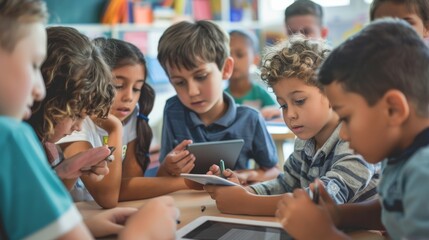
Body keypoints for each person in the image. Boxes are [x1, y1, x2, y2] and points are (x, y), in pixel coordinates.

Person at [0, 0, 178, 239]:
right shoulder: (10, 136)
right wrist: (144, 232)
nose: (39, 91)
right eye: (32, 65)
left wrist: (67, 181)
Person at [276, 19, 429, 240]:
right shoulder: (399, 155)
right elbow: (387, 210)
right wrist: (336, 214)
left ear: (393, 110)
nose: (344, 134)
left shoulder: (423, 173)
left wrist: (323, 235)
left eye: (346, 117)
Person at [203, 35, 379, 216]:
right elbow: (286, 184)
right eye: (283, 105)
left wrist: (245, 202)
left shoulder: (357, 141)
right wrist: (245, 191)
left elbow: (324, 199)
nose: (290, 114)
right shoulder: (305, 141)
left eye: (299, 101)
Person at [58, 37, 189, 203]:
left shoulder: (130, 116)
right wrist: (115, 129)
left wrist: (174, 176)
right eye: (118, 85)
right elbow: (108, 198)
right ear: (92, 83)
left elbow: (127, 188)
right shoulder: (74, 125)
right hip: (77, 218)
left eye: (136, 89)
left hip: (101, 216)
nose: (129, 97)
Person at [156, 20, 280, 184]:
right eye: (179, 82)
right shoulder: (173, 110)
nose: (192, 91)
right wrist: (166, 168)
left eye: (201, 77)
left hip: (232, 203)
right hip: (186, 204)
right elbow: (162, 176)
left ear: (226, 68)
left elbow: (273, 170)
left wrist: (249, 175)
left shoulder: (250, 119)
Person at [225, 29, 280, 120]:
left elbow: (277, 113)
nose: (232, 60)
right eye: (227, 55)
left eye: (240, 55)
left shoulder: (260, 93)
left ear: (255, 60)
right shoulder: (222, 96)